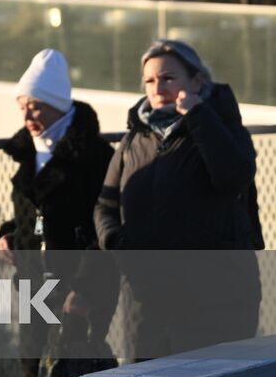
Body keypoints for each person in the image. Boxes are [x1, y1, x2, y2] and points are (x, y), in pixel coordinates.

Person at [94, 39, 262, 360]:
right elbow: (106, 205)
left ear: (197, 81)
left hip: (216, 300)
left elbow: (233, 174)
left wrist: (199, 114)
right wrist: (118, 243)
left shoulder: (221, 125)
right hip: (149, 300)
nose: (157, 88)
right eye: (149, 81)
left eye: (168, 78)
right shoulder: (135, 138)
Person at [0, 49, 117, 377]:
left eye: (36, 106)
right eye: (22, 107)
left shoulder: (94, 156)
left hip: (78, 285)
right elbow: (31, 215)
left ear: (58, 105)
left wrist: (84, 288)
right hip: (35, 282)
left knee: (73, 376)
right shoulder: (29, 154)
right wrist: (9, 235)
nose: (28, 115)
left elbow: (105, 227)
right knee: (33, 371)